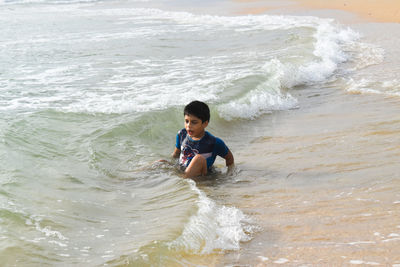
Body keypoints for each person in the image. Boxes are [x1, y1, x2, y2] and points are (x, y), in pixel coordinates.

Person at [172, 100, 234, 178]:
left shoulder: (214, 142)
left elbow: (229, 158)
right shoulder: (181, 134)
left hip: (201, 176)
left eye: (194, 122)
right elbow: (175, 155)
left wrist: (229, 176)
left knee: (199, 158)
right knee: (160, 162)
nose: (188, 126)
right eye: (186, 121)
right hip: (182, 169)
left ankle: (182, 181)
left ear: (205, 123)